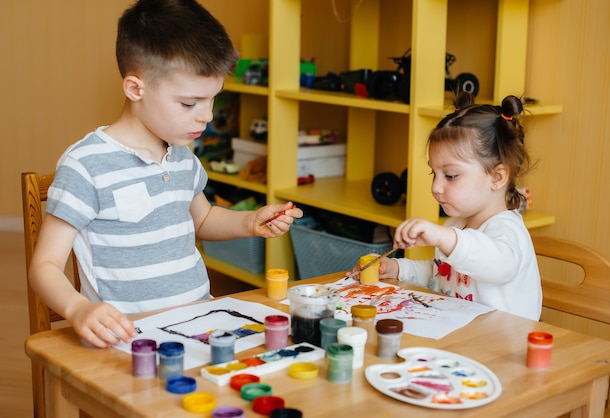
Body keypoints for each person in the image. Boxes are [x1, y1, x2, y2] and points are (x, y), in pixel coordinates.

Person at [28, 0, 303, 348]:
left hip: (199, 326)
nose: (207, 116)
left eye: (212, 100)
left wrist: (249, 222)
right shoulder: (87, 165)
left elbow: (203, 221)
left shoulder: (182, 156)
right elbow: (45, 265)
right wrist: (78, 309)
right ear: (135, 88)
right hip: (128, 340)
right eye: (190, 103)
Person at [354, 92, 542, 320]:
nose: (436, 187)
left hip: (502, 349)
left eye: (451, 175)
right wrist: (397, 269)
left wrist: (444, 237)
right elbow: (442, 275)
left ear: (497, 177)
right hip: (460, 340)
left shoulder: (508, 231)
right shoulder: (457, 225)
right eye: (434, 173)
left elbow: (497, 265)